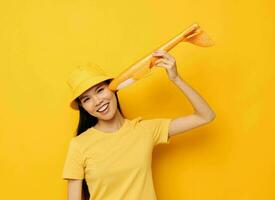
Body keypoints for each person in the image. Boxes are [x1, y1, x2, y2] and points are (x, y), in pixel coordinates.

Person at [62, 50, 216, 200]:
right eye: (86, 99)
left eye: (100, 90)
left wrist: (176, 78)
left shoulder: (144, 130)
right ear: (83, 107)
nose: (97, 101)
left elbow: (205, 116)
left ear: (113, 88)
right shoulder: (79, 145)